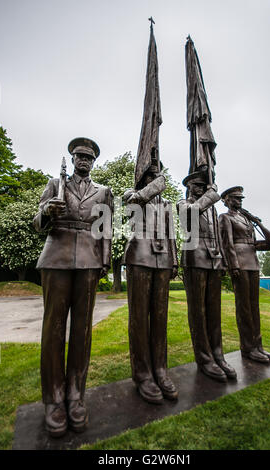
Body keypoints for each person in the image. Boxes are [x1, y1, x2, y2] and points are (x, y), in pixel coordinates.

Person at [33, 137, 113, 437]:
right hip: (57, 256)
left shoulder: (103, 191)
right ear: (73, 158)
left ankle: (75, 395)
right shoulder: (56, 183)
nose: (83, 161)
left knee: (82, 330)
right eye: (79, 156)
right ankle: (53, 399)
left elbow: (105, 228)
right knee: (53, 330)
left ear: (93, 162)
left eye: (88, 158)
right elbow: (36, 222)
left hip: (89, 262)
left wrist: (104, 261)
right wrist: (46, 212)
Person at [123, 157, 178, 404]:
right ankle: (143, 374)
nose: (155, 177)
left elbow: (172, 234)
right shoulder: (133, 195)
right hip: (140, 256)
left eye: (158, 173)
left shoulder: (166, 203)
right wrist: (144, 190)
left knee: (159, 317)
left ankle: (161, 370)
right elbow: (128, 210)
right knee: (138, 318)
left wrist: (174, 260)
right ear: (143, 177)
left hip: (163, 258)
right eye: (150, 174)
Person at [177, 166, 236, 382]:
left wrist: (223, 259)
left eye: (204, 186)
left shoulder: (211, 209)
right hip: (195, 258)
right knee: (198, 311)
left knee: (214, 310)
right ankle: (204, 358)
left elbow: (218, 237)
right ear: (189, 188)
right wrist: (212, 195)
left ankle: (217, 354)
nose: (201, 189)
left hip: (214, 259)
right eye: (197, 186)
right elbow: (191, 214)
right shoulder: (184, 204)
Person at [219, 186, 270, 363]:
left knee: (254, 307)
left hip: (252, 263)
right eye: (236, 198)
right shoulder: (225, 217)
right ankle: (248, 348)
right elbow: (227, 244)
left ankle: (258, 346)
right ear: (227, 200)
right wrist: (233, 265)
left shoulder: (247, 219)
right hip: (239, 263)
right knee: (244, 307)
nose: (239, 201)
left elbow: (253, 243)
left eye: (241, 199)